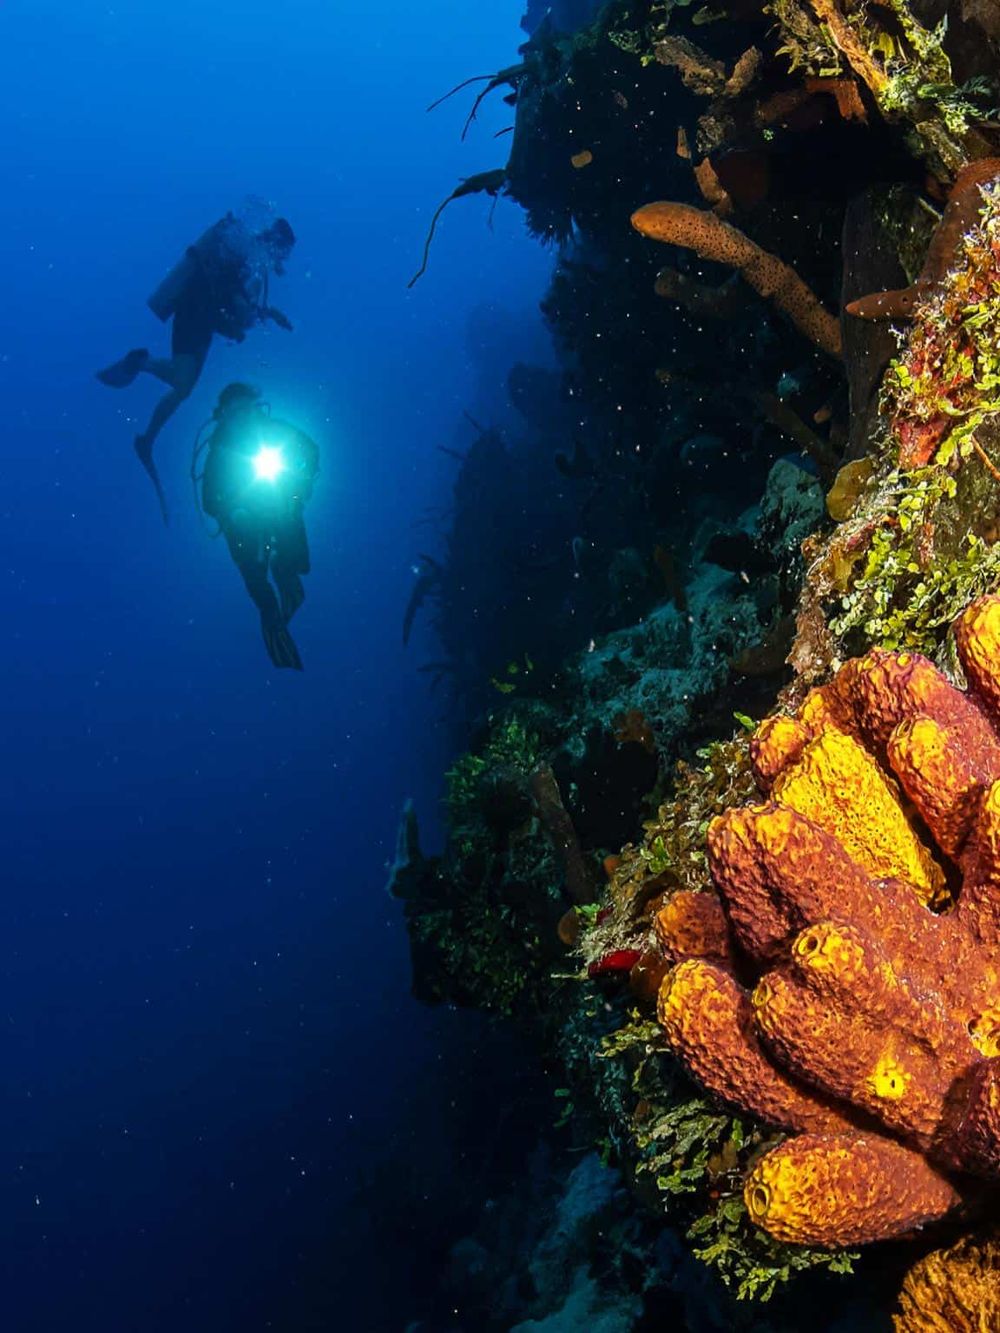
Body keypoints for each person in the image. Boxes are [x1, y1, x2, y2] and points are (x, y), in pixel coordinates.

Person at [96, 208, 296, 521]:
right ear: (276, 246)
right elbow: (237, 305)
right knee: (182, 381)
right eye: (283, 254)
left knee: (183, 388)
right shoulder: (248, 257)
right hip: (195, 313)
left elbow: (236, 304)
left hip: (202, 319)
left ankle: (147, 440)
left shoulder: (246, 256)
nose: (282, 262)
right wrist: (260, 315)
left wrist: (264, 314)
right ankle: (143, 363)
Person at [196, 382, 318, 670]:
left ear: (256, 409)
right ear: (224, 415)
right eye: (235, 412)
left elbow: (311, 450)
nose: (243, 418)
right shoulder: (219, 450)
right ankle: (273, 624)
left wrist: (299, 487)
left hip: (279, 506)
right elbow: (209, 501)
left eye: (247, 410)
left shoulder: (276, 431)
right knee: (257, 582)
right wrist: (233, 513)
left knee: (293, 562)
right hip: (243, 526)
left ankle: (286, 578)